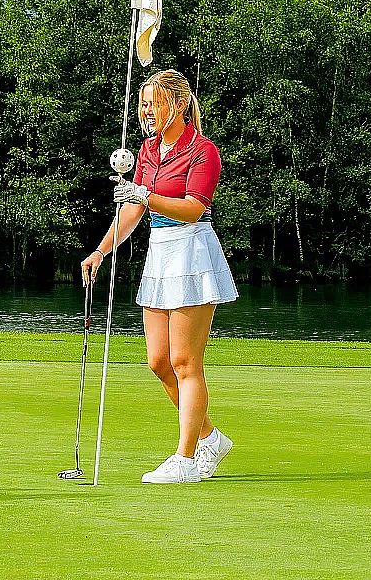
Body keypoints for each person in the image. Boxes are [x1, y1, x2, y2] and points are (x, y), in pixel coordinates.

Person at [80, 69, 239, 484]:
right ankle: (210, 438)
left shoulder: (204, 151)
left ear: (180, 104)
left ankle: (185, 459)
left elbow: (193, 208)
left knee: (186, 361)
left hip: (192, 252)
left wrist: (145, 196)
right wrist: (100, 250)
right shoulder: (147, 151)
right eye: (144, 105)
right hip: (160, 255)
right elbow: (132, 211)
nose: (148, 112)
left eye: (155, 103)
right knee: (158, 362)